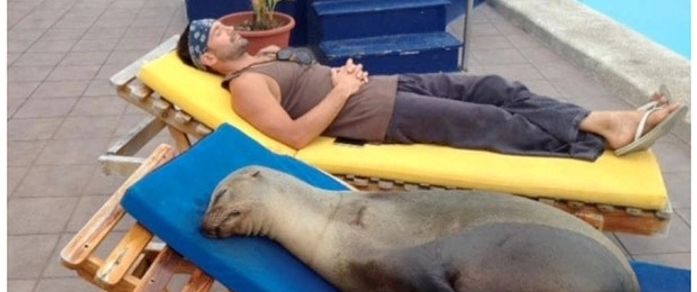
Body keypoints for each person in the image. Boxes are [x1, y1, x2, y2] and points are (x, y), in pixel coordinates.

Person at [176, 18, 684, 160]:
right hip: (382, 115)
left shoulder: (265, 57)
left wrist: (338, 75)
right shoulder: (245, 87)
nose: (229, 27)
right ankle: (600, 133)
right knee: (493, 123)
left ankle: (600, 120)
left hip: (390, 86)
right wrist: (343, 90)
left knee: (494, 85)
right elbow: (293, 137)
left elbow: (308, 82)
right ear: (209, 60)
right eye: (217, 32)